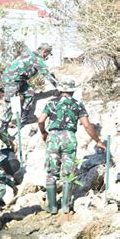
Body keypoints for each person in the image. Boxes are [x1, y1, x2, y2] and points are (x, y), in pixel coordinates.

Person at [38, 78, 106, 219]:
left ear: (61, 89)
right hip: (69, 138)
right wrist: (98, 141)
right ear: (72, 90)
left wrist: (44, 132)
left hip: (53, 137)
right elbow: (87, 125)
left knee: (51, 172)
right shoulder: (77, 105)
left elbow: (40, 120)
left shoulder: (51, 103)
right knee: (68, 173)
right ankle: (65, 206)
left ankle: (51, 207)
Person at [0, 43, 58, 133]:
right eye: (48, 54)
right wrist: (60, 87)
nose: (47, 57)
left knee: (30, 93)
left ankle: (24, 119)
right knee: (11, 102)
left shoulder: (29, 54)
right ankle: (4, 126)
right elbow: (47, 74)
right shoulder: (37, 59)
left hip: (20, 80)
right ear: (44, 52)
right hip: (12, 80)